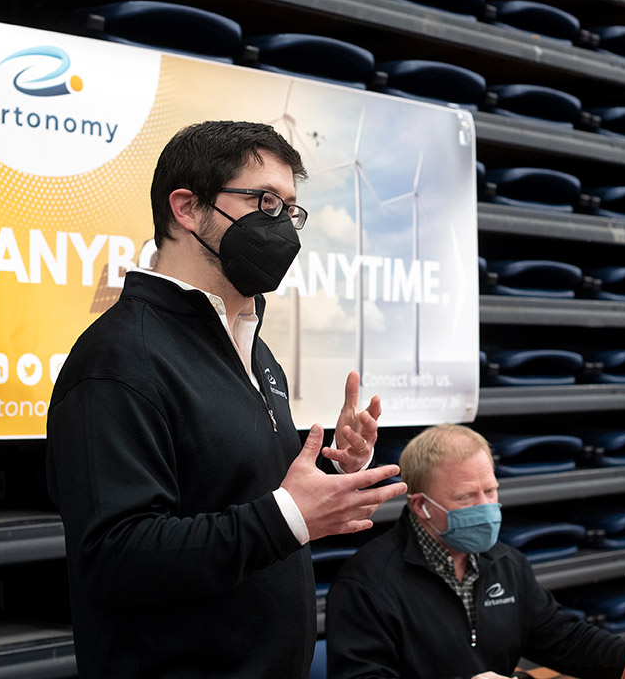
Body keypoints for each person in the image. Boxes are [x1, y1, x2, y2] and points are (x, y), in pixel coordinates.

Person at [46, 120, 408, 679]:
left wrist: (330, 471)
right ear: (187, 208)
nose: (283, 226)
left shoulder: (256, 353)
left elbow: (235, 495)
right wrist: (289, 515)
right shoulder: (118, 360)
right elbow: (115, 557)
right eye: (264, 201)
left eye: (290, 209)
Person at [325, 424, 625, 679]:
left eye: (490, 490)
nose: (486, 508)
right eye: (466, 497)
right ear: (422, 506)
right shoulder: (367, 584)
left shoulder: (506, 563)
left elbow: (566, 640)